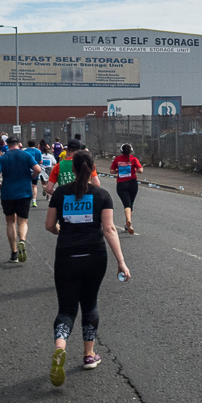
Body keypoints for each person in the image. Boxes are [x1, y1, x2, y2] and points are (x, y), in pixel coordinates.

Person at [45, 150, 130, 385]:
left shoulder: (60, 193)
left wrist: (61, 232)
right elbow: (110, 229)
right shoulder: (102, 195)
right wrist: (121, 262)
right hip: (95, 256)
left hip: (66, 256)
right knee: (90, 303)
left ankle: (60, 345)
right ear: (92, 168)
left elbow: (49, 225)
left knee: (66, 309)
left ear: (73, 169)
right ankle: (89, 355)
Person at [0, 137, 42, 263]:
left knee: (10, 222)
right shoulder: (26, 155)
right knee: (23, 221)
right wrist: (31, 177)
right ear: (19, 144)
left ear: (7, 145)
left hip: (7, 193)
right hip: (24, 192)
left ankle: (14, 253)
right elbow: (38, 169)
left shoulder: (3, 157)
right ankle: (22, 240)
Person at [110, 143, 144, 234]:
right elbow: (140, 170)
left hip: (121, 184)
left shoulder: (117, 159)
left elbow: (112, 171)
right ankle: (128, 222)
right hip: (132, 183)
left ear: (121, 151)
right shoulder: (133, 159)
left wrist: (118, 170)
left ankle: (128, 221)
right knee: (130, 204)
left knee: (126, 204)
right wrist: (135, 170)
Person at [24, 139, 43, 207]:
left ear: (28, 144)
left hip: (26, 170)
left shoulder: (25, 151)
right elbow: (41, 161)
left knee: (26, 185)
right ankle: (34, 201)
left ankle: (26, 199)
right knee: (34, 185)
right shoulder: (38, 151)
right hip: (35, 170)